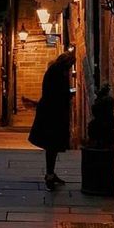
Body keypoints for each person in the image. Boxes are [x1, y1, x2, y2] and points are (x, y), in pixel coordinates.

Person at [27, 48, 76, 190]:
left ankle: (51, 173)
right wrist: (70, 93)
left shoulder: (54, 70)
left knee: (52, 146)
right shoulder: (57, 73)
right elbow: (58, 94)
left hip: (51, 112)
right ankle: (49, 175)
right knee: (51, 145)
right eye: (71, 65)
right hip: (52, 114)